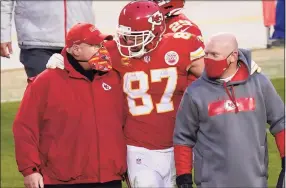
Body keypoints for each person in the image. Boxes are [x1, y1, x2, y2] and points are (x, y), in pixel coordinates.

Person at [46, 2, 262, 187]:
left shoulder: (181, 45)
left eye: (135, 37)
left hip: (179, 144)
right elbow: (81, 55)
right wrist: (64, 61)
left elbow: (213, 71)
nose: (128, 43)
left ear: (157, 33)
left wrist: (240, 66)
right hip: (138, 147)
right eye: (125, 36)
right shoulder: (113, 51)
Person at [12, 23, 127, 188]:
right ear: (76, 50)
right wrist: (30, 170)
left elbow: (125, 123)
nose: (102, 50)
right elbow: (25, 127)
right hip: (63, 180)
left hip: (109, 177)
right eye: (95, 45)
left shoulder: (113, 78)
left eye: (102, 45)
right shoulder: (45, 82)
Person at [173, 32, 285, 188]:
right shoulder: (194, 92)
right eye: (206, 54)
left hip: (254, 182)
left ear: (233, 56)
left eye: (214, 55)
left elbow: (281, 122)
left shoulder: (259, 84)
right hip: (212, 184)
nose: (207, 59)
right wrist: (183, 177)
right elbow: (183, 138)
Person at [1, 1, 95, 78]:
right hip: (37, 41)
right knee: (47, 96)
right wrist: (3, 34)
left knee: (81, 97)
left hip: (81, 40)